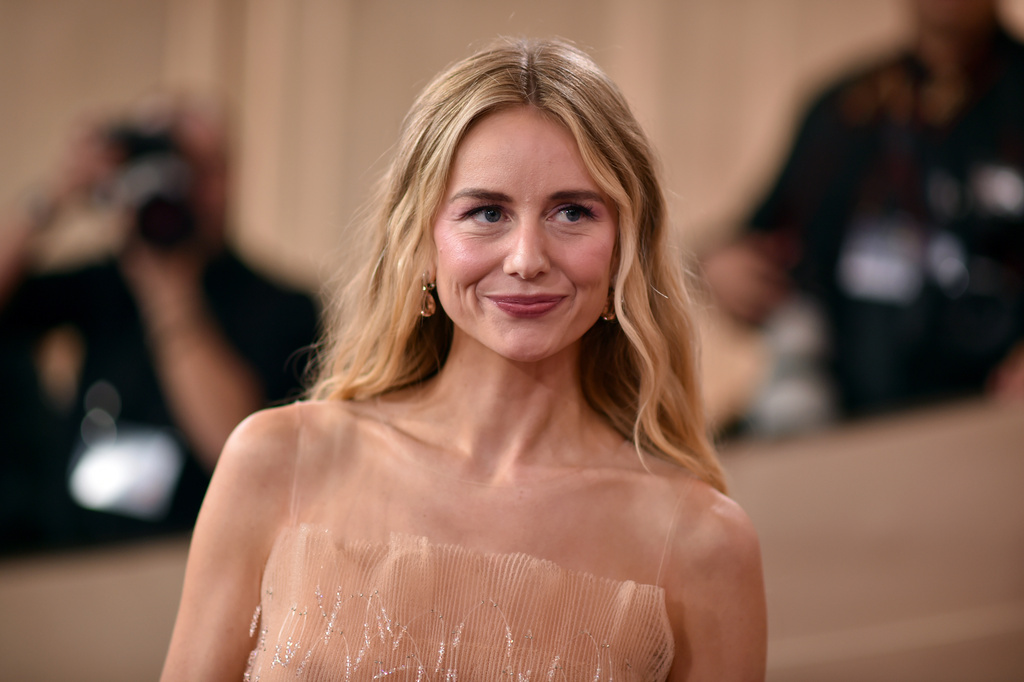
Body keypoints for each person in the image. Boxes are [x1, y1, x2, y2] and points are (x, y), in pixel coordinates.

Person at [161, 38, 766, 681]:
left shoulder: (704, 542)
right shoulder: (278, 460)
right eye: (486, 212)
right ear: (424, 240)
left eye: (572, 212)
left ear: (625, 246)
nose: (527, 258)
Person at [0, 94, 319, 549]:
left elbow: (233, 445)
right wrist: (55, 194)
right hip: (71, 556)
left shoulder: (282, 305)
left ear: (229, 178)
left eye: (203, 170)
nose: (188, 190)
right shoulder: (105, 282)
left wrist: (168, 292)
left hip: (188, 559)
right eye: (172, 169)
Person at [702, 0, 1024, 424]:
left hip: (990, 425)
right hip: (848, 424)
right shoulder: (845, 108)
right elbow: (754, 238)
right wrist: (723, 266)